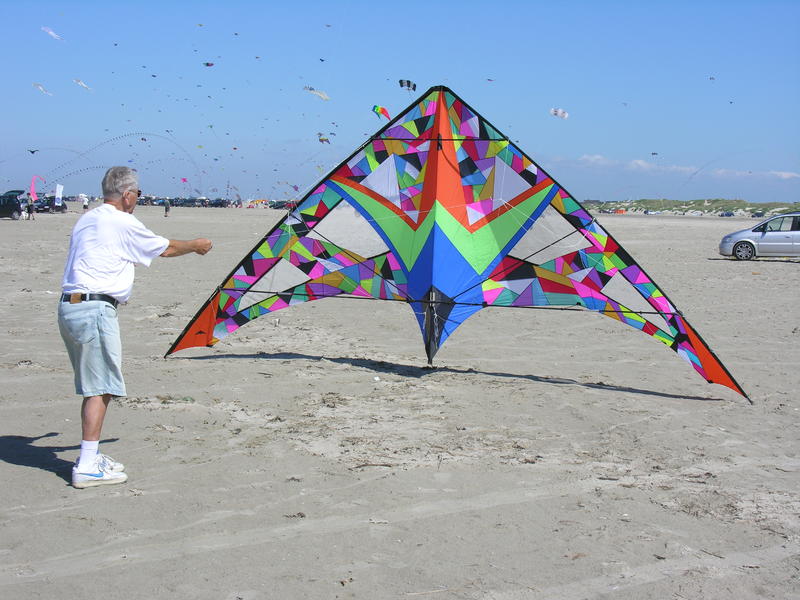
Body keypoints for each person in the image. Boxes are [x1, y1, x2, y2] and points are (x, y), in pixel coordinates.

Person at [59, 166, 212, 489]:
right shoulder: (120, 221)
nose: (138, 200)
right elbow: (166, 248)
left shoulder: (88, 218)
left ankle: (91, 455)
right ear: (127, 195)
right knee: (100, 388)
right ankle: (87, 465)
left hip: (70, 308)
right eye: (138, 194)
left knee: (95, 385)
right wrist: (196, 244)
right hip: (94, 309)